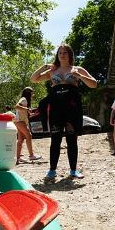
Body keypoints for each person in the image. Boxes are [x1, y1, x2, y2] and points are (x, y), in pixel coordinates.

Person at [30, 44, 97, 180]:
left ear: (70, 54)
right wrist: (44, 66)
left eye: (65, 52)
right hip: (56, 107)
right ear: (57, 55)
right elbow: (33, 79)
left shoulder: (77, 69)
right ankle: (52, 170)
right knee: (55, 139)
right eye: (60, 52)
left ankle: (73, 170)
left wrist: (79, 76)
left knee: (72, 138)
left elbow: (94, 84)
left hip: (72, 107)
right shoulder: (52, 71)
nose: (62, 55)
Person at [13, 87, 42, 164]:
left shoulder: (25, 101)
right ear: (29, 93)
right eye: (32, 92)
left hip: (18, 121)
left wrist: (32, 114)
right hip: (20, 121)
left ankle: (18, 158)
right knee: (29, 135)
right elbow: (16, 106)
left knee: (20, 140)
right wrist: (27, 109)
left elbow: (26, 113)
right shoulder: (24, 99)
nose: (33, 94)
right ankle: (31, 155)